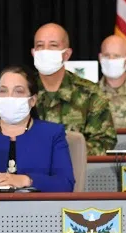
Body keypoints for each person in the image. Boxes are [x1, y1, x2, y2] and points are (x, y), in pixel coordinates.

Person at [0, 66, 75, 193]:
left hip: (37, 211)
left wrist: (26, 180)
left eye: (18, 91)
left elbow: (65, 183)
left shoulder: (52, 134)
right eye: (3, 91)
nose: (10, 97)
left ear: (32, 100)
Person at [31, 23, 116, 155]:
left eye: (53, 45)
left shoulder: (89, 93)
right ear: (33, 52)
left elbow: (104, 141)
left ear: (66, 54)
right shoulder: (23, 91)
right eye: (40, 46)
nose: (45, 50)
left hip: (76, 171)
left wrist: (64, 156)